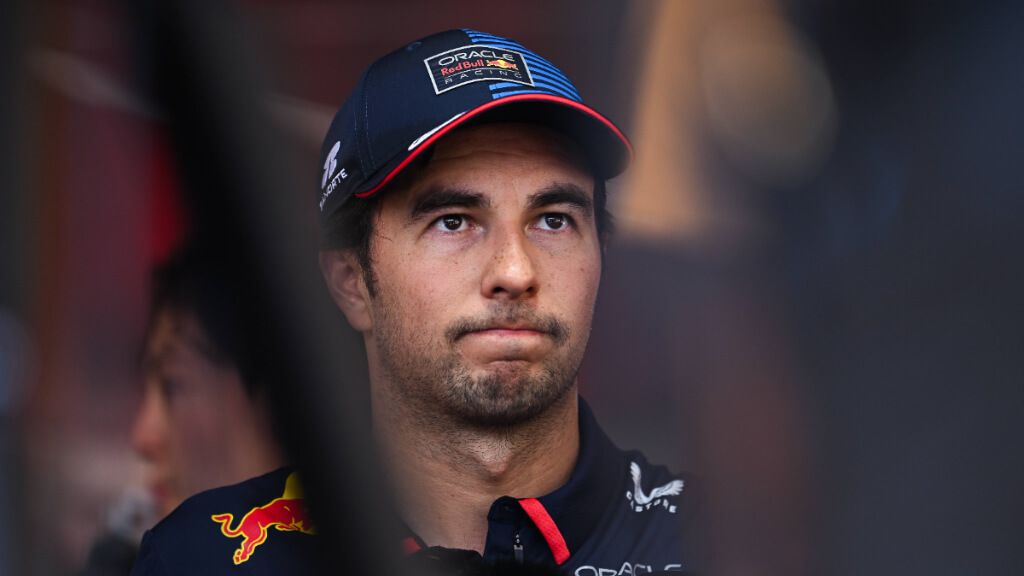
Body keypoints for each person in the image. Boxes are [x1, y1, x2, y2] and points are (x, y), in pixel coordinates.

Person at [131, 29, 697, 575]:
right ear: (352, 281)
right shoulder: (206, 559)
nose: (515, 271)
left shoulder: (720, 547)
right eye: (454, 222)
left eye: (554, 220)